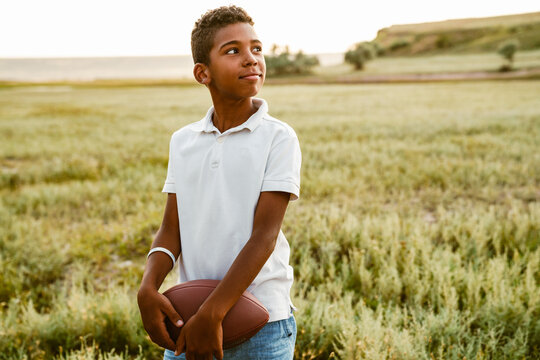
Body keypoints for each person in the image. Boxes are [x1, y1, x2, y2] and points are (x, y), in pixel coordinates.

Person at [137, 5, 302, 360]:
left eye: (256, 49)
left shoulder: (278, 137)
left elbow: (264, 237)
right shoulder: (183, 140)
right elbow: (171, 229)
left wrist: (214, 312)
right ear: (202, 73)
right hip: (189, 320)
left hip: (262, 324)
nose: (250, 59)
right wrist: (148, 287)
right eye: (233, 51)